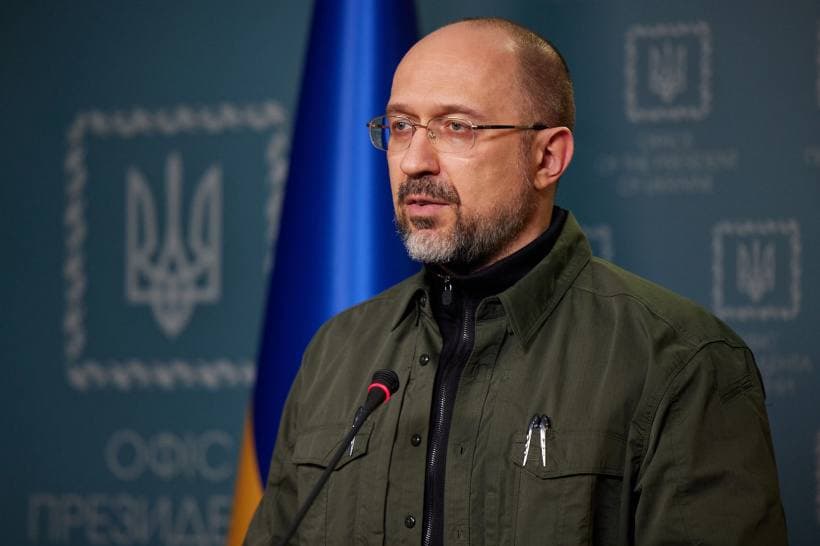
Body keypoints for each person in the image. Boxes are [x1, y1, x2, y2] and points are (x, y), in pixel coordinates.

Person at [244, 17, 787, 545]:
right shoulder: (337, 352)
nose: (413, 162)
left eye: (456, 127)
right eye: (401, 126)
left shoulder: (680, 360)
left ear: (547, 157)